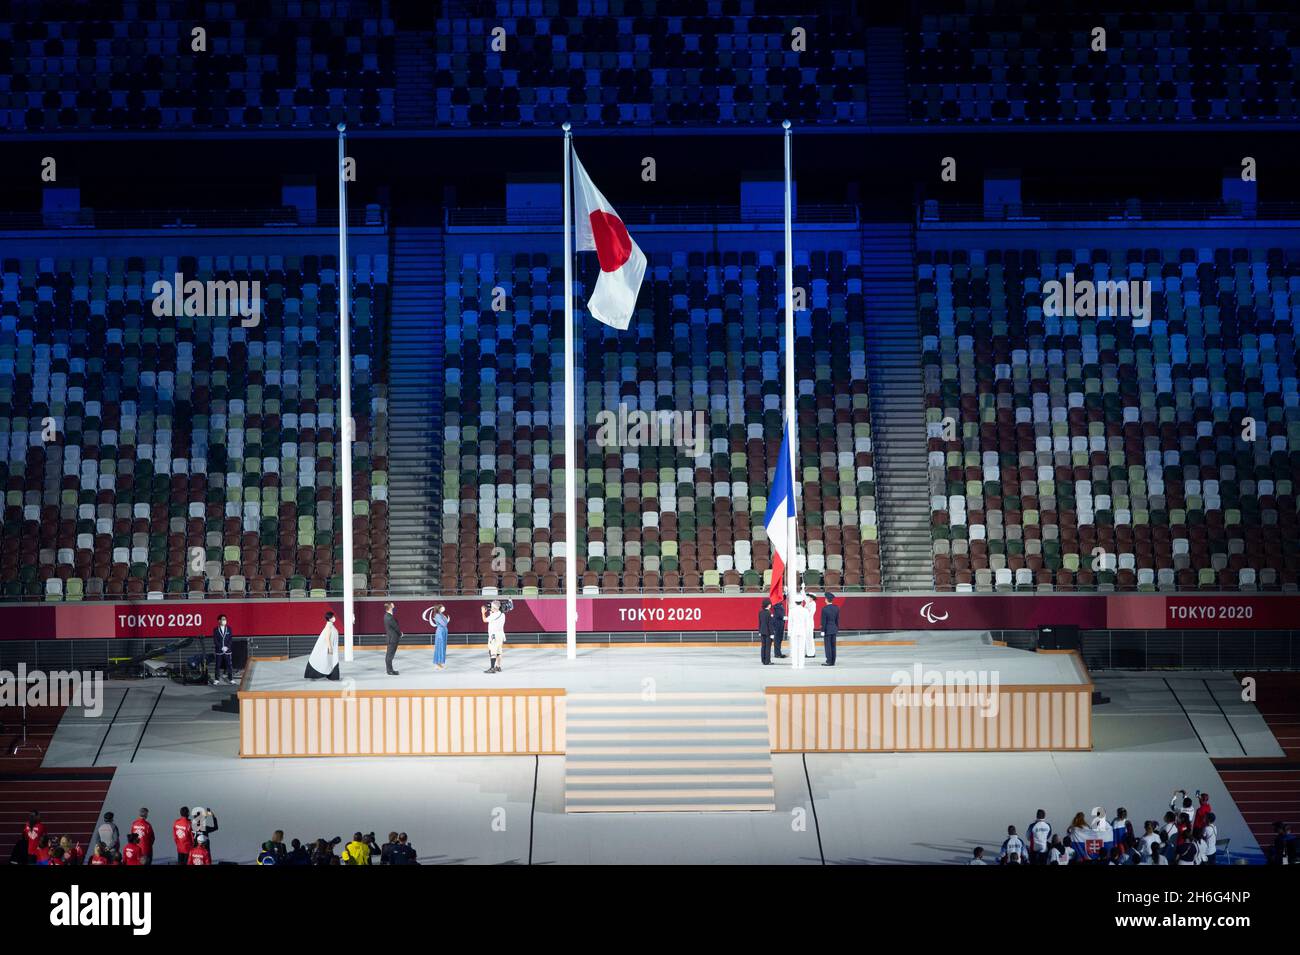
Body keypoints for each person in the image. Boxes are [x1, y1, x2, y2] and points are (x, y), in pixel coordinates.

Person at [305, 610, 341, 680]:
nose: (334, 618)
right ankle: (330, 675)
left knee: (330, 661)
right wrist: (330, 648)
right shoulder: (328, 627)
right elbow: (327, 638)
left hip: (331, 648)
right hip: (329, 648)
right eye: (333, 617)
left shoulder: (330, 626)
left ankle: (331, 675)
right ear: (330, 618)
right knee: (328, 660)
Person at [482, 600, 506, 673]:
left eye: (492, 607)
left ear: (495, 608)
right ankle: (498, 666)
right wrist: (491, 612)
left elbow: (485, 620)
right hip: (501, 635)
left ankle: (492, 668)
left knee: (492, 651)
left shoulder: (493, 615)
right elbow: (494, 616)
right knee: (499, 652)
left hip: (494, 635)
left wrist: (483, 612)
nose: (490, 608)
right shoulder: (502, 614)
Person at [212, 614, 236, 685]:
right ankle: (216, 679)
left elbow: (230, 639)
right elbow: (215, 640)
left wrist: (227, 647)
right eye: (223, 619)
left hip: (227, 651)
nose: (224, 621)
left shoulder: (229, 628)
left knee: (229, 665)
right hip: (219, 651)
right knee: (217, 665)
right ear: (219, 621)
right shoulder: (215, 629)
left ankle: (231, 679)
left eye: (225, 619)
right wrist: (221, 647)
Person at [820, 592, 840, 666]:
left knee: (828, 646)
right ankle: (833, 661)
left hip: (827, 630)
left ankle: (829, 661)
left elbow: (823, 621)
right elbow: (837, 620)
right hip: (834, 629)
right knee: (833, 646)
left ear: (826, 600)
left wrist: (822, 630)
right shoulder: (836, 608)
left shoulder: (824, 609)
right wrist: (837, 628)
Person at [384, 602, 403, 676]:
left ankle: (390, 669)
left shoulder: (387, 616)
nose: (394, 607)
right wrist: (400, 633)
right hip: (393, 639)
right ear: (390, 608)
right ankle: (390, 670)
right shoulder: (389, 617)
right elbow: (396, 627)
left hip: (391, 638)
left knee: (389, 655)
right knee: (390, 655)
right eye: (392, 606)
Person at [432, 605, 449, 670]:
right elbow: (444, 624)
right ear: (439, 609)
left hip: (444, 631)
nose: (443, 608)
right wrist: (445, 621)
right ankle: (437, 663)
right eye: (442, 608)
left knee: (443, 647)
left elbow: (446, 622)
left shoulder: (441, 614)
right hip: (440, 632)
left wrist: (445, 620)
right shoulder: (437, 615)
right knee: (439, 647)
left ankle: (440, 663)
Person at [757, 599, 774, 665]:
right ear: (768, 605)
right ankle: (767, 661)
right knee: (768, 647)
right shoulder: (769, 613)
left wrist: (759, 631)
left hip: (762, 631)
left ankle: (763, 660)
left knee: (763, 646)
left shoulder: (760, 612)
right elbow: (770, 624)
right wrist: (772, 633)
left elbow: (760, 622)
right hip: (768, 632)